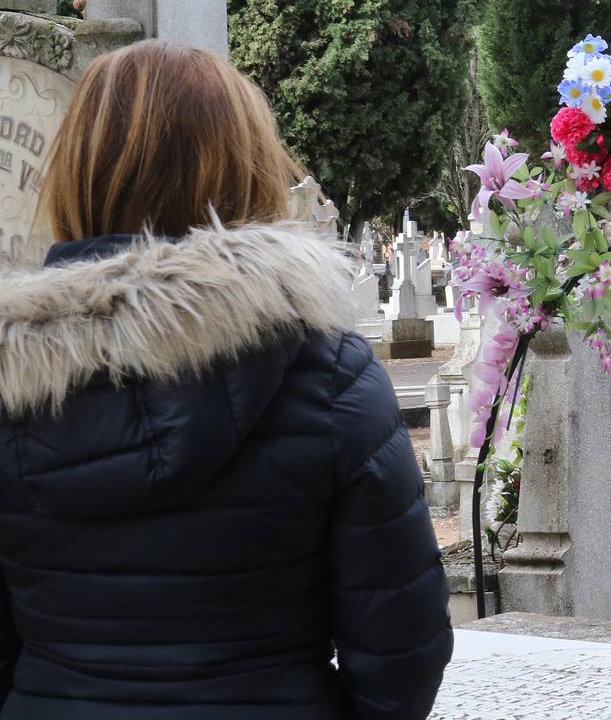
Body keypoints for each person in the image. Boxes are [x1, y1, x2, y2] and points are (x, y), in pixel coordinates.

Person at [0, 41, 452, 719]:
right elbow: (400, 646)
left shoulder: (13, 384)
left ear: (78, 172)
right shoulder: (327, 375)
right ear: (245, 168)